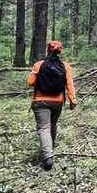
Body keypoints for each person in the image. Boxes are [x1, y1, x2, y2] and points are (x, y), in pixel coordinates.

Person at [27, 40, 77, 170]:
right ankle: (50, 148)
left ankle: (48, 157)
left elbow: (30, 82)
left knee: (44, 127)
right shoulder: (65, 65)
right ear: (60, 50)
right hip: (57, 101)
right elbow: (69, 84)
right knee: (53, 124)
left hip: (40, 101)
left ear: (47, 50)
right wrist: (73, 101)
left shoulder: (39, 64)